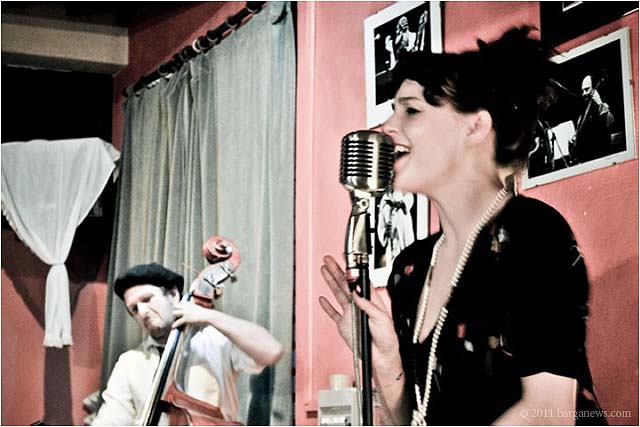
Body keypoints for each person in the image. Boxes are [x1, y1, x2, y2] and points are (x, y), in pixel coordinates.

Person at [320, 27, 602, 426]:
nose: (386, 127)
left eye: (411, 111)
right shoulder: (410, 268)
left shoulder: (532, 234)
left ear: (474, 127)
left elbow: (548, 415)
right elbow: (413, 418)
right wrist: (383, 359)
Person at [92, 263, 283, 425]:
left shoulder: (214, 340)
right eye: (134, 309)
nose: (142, 312)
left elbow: (271, 351)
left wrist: (208, 316)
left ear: (173, 294)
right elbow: (110, 420)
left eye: (147, 299)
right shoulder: (129, 363)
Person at [569, 74, 615, 163]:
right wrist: (575, 136)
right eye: (582, 91)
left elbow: (610, 122)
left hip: (599, 156)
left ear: (594, 90)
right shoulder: (584, 111)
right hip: (585, 158)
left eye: (586, 89)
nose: (584, 93)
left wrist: (599, 102)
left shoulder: (601, 105)